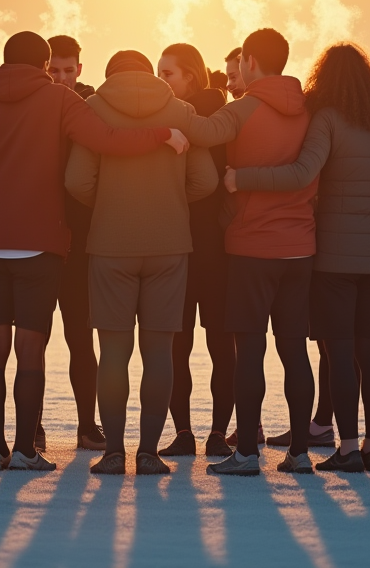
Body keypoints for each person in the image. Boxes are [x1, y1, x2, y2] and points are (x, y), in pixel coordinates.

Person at [0, 31, 189, 472]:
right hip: (40, 244)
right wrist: (161, 134)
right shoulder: (59, 101)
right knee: (31, 350)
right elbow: (107, 139)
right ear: (45, 65)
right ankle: (26, 450)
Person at [226, 43, 370, 473]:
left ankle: (346, 449)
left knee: (340, 354)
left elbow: (302, 173)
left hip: (333, 258)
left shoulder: (326, 120)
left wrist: (242, 179)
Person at [66, 50, 218, 475]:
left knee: (113, 351)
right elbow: (205, 181)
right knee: (159, 351)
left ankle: (114, 451)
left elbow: (77, 180)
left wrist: (111, 203)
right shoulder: (180, 109)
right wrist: (168, 200)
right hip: (170, 245)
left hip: (110, 246)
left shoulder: (90, 109)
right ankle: (149, 453)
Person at [181, 28, 317, 477]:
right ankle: (299, 451)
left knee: (250, 350)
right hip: (300, 248)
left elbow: (199, 130)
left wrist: (162, 102)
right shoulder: (308, 111)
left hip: (251, 247)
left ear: (251, 62)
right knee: (295, 350)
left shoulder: (241, 110)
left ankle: (247, 453)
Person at [155, 43, 240, 458]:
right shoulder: (210, 115)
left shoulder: (209, 118)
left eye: (167, 74)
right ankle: (196, 433)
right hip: (198, 245)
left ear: (190, 75)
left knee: (200, 344)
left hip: (203, 245)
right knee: (190, 344)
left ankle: (206, 432)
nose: (160, 82)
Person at [44, 34, 104, 452]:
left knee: (81, 339)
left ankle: (88, 425)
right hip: (40, 237)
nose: (62, 78)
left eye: (69, 70)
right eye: (53, 71)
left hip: (82, 242)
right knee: (33, 339)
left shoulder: (94, 107)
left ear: (81, 68)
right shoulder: (34, 107)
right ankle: (31, 426)